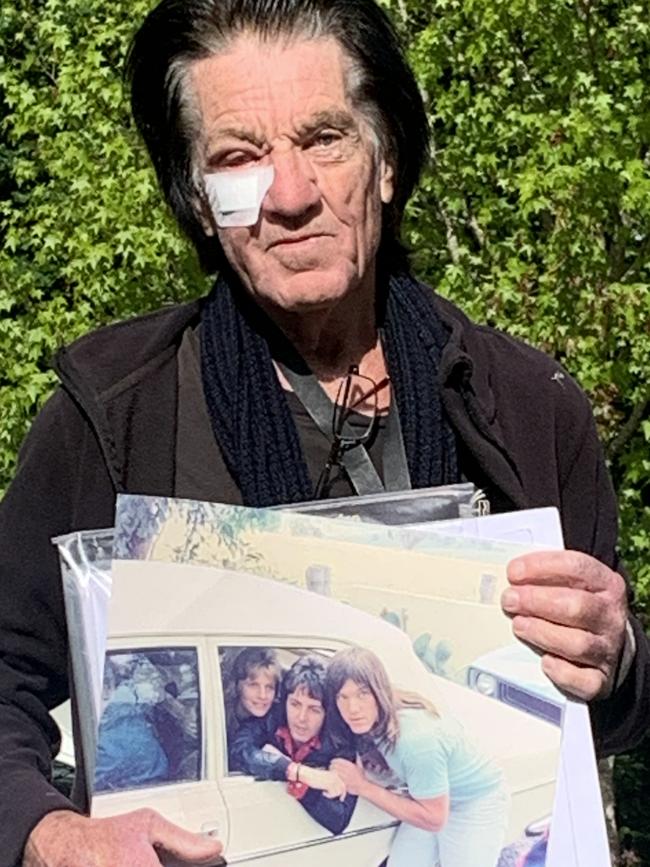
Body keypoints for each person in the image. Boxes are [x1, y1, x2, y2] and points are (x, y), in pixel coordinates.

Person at [0, 0, 646, 863]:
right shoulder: (115, 414)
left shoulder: (529, 404)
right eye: (239, 158)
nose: (293, 194)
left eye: (325, 139)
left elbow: (613, 703)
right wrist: (47, 832)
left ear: (385, 162)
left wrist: (621, 653)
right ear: (199, 202)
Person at [325, 646, 509, 866]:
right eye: (342, 697)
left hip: (473, 803)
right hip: (429, 796)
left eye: (362, 694)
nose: (352, 708)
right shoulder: (377, 716)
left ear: (378, 691)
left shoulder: (415, 741)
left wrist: (362, 786)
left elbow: (433, 819)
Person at [230, 655, 357, 835]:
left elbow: (338, 819)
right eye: (295, 704)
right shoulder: (271, 719)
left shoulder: (339, 742)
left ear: (327, 712)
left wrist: (300, 785)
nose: (301, 718)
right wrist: (298, 772)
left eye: (314, 709)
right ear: (285, 702)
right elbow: (239, 750)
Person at [222, 646, 283, 762]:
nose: (263, 695)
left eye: (269, 687)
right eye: (253, 685)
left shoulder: (276, 718)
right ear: (237, 686)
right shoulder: (221, 717)